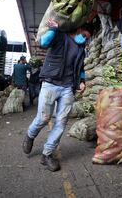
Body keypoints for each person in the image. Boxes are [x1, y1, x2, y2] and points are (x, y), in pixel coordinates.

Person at [22, 18, 89, 172]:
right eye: (85, 35)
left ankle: (46, 155)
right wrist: (53, 29)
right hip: (50, 83)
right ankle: (30, 135)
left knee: (61, 122)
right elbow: (44, 43)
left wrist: (82, 80)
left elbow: (81, 68)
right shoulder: (60, 35)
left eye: (87, 38)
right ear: (78, 30)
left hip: (67, 88)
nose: (85, 38)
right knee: (43, 118)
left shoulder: (81, 48)